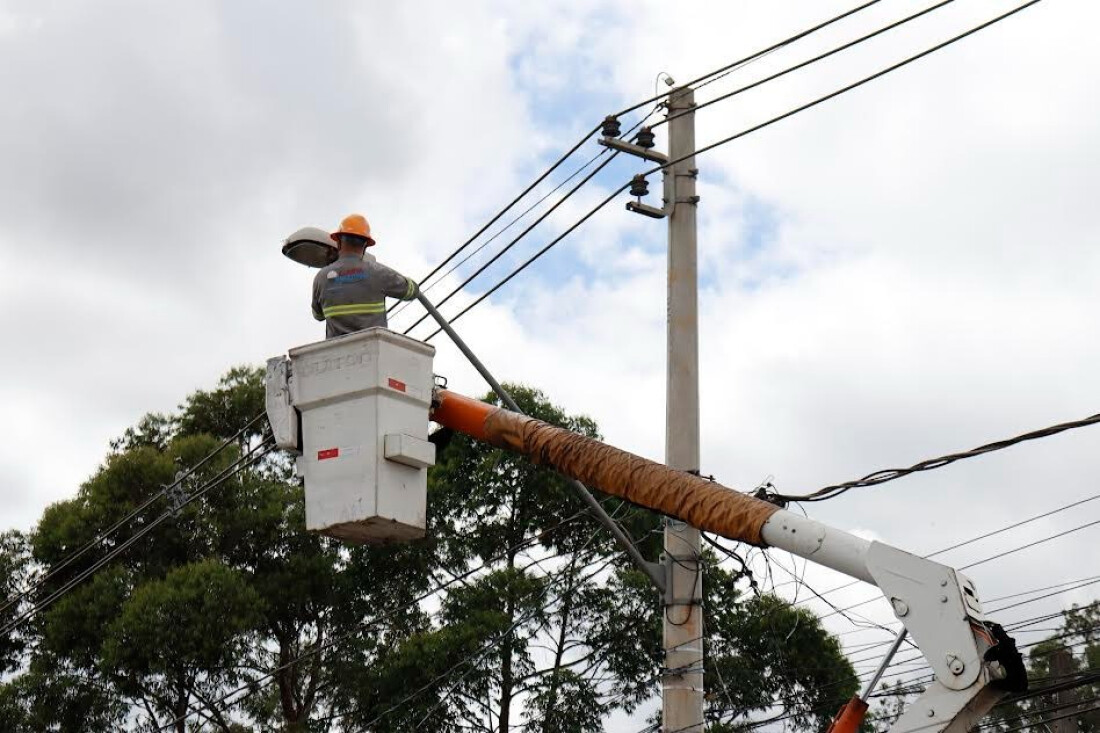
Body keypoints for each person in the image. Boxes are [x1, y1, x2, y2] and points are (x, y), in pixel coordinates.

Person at [311, 213, 417, 339]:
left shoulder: (321, 277)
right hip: (373, 349)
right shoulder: (379, 272)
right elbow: (412, 291)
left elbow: (318, 316)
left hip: (337, 350)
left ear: (338, 241)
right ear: (366, 244)